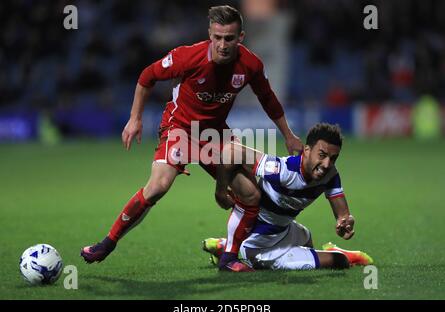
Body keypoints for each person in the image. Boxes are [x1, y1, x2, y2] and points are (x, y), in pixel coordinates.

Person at [80, 5, 303, 272]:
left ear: (240, 37)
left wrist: (288, 135)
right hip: (180, 128)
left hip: (214, 135)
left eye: (229, 38)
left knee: (250, 195)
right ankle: (108, 242)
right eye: (217, 37)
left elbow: (268, 99)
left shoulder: (251, 65)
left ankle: (229, 258)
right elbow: (146, 77)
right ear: (210, 34)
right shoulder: (187, 57)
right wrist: (135, 118)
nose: (222, 45)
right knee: (159, 186)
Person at [203, 123, 373, 270]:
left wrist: (345, 221)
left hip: (284, 229)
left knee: (307, 238)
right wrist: (221, 191)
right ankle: (232, 249)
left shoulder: (331, 176)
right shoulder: (283, 170)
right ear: (307, 150)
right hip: (262, 246)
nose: (327, 164)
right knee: (339, 261)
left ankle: (224, 246)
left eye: (333, 158)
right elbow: (231, 151)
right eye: (322, 155)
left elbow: (343, 214)